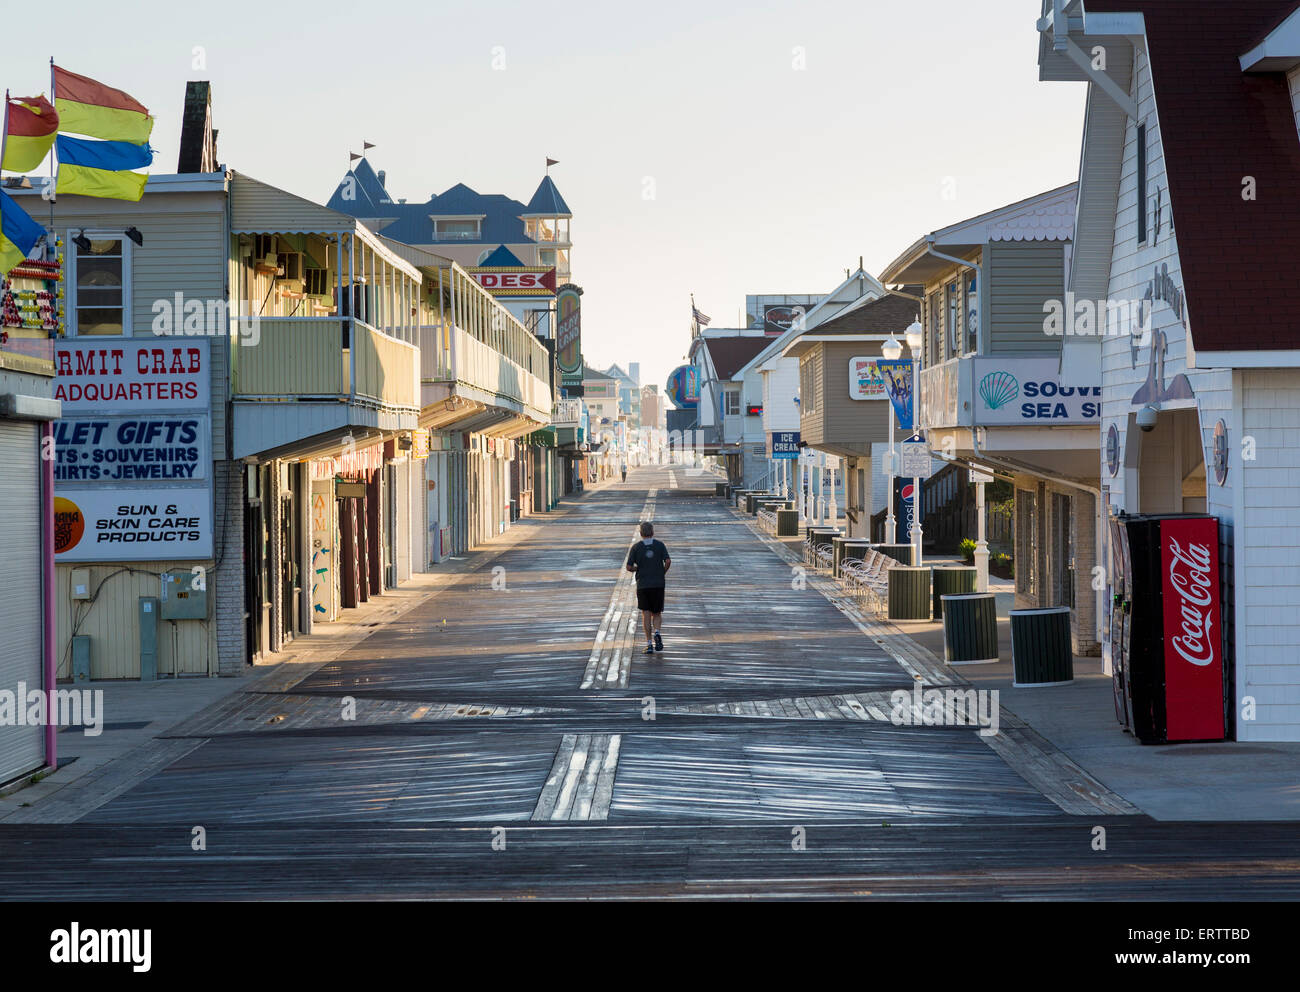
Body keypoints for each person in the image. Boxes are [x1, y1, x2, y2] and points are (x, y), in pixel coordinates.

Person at [625, 521, 670, 654]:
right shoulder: (660, 545)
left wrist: (637, 568)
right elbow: (668, 561)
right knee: (656, 613)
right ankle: (657, 632)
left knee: (645, 613)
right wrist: (662, 572)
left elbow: (628, 567)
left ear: (641, 533)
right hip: (658, 583)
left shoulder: (636, 547)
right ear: (653, 532)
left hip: (643, 584)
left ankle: (649, 644)